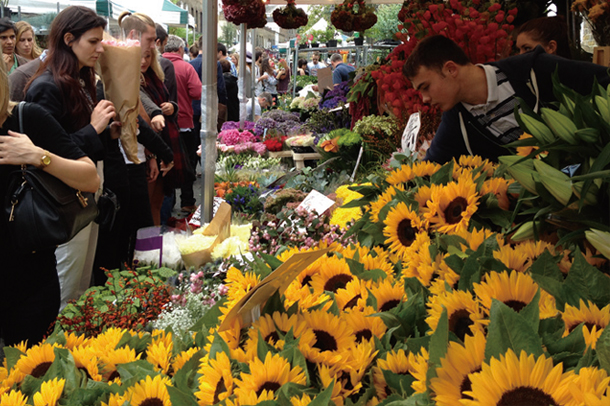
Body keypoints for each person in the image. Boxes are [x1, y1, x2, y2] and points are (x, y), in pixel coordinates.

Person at [0, 58, 100, 346]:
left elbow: (90, 178)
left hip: (27, 278)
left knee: (32, 376)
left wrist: (38, 157)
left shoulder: (25, 118)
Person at [25, 6, 117, 309]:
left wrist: (106, 131)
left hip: (86, 188)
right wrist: (94, 128)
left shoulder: (82, 80)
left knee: (81, 277)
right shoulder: (47, 87)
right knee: (67, 279)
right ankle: (55, 349)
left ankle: (75, 345)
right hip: (64, 197)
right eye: (93, 41)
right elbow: (43, 156)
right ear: (68, 39)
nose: (100, 48)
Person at [403, 35, 610, 164]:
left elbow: (603, 81)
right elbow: (428, 171)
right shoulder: (456, 122)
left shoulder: (535, 71)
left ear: (450, 69)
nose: (425, 99)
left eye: (425, 87)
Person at [163, 34, 201, 213]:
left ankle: (166, 205)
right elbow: (197, 92)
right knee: (187, 164)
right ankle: (187, 201)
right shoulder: (186, 67)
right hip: (184, 121)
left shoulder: (155, 66)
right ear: (180, 49)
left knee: (165, 163)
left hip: (160, 124)